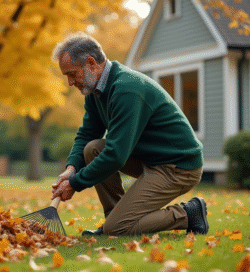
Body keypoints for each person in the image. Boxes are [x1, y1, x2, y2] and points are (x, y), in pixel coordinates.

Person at [50, 32, 208, 236]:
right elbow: (88, 134)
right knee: (93, 149)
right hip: (150, 160)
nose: (70, 83)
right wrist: (71, 169)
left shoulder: (126, 89)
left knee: (119, 227)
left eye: (72, 74)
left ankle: (189, 214)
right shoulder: (95, 91)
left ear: (91, 63)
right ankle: (114, 220)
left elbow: (116, 155)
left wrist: (75, 183)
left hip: (177, 166)